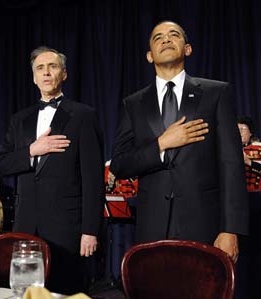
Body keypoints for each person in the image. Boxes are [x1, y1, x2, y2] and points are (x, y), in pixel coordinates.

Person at [110, 21, 248, 263]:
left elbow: (231, 165)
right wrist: (161, 144)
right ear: (149, 56)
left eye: (174, 35)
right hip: (152, 229)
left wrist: (230, 229)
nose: (166, 40)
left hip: (205, 226)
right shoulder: (133, 103)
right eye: (158, 37)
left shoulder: (216, 93)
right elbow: (120, 165)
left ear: (188, 49)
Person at [0, 46, 104, 294]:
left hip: (67, 227)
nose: (46, 73)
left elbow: (93, 179)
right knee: (25, 293)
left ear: (64, 74)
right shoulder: (19, 119)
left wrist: (90, 231)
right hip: (25, 225)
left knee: (65, 292)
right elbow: (0, 164)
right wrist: (32, 150)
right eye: (40, 68)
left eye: (52, 66)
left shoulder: (83, 115)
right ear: (33, 77)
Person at [237, 115, 261, 299]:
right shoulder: (230, 150)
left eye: (242, 129)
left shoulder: (258, 148)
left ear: (250, 132)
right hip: (240, 203)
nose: (239, 133)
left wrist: (247, 162)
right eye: (236, 130)